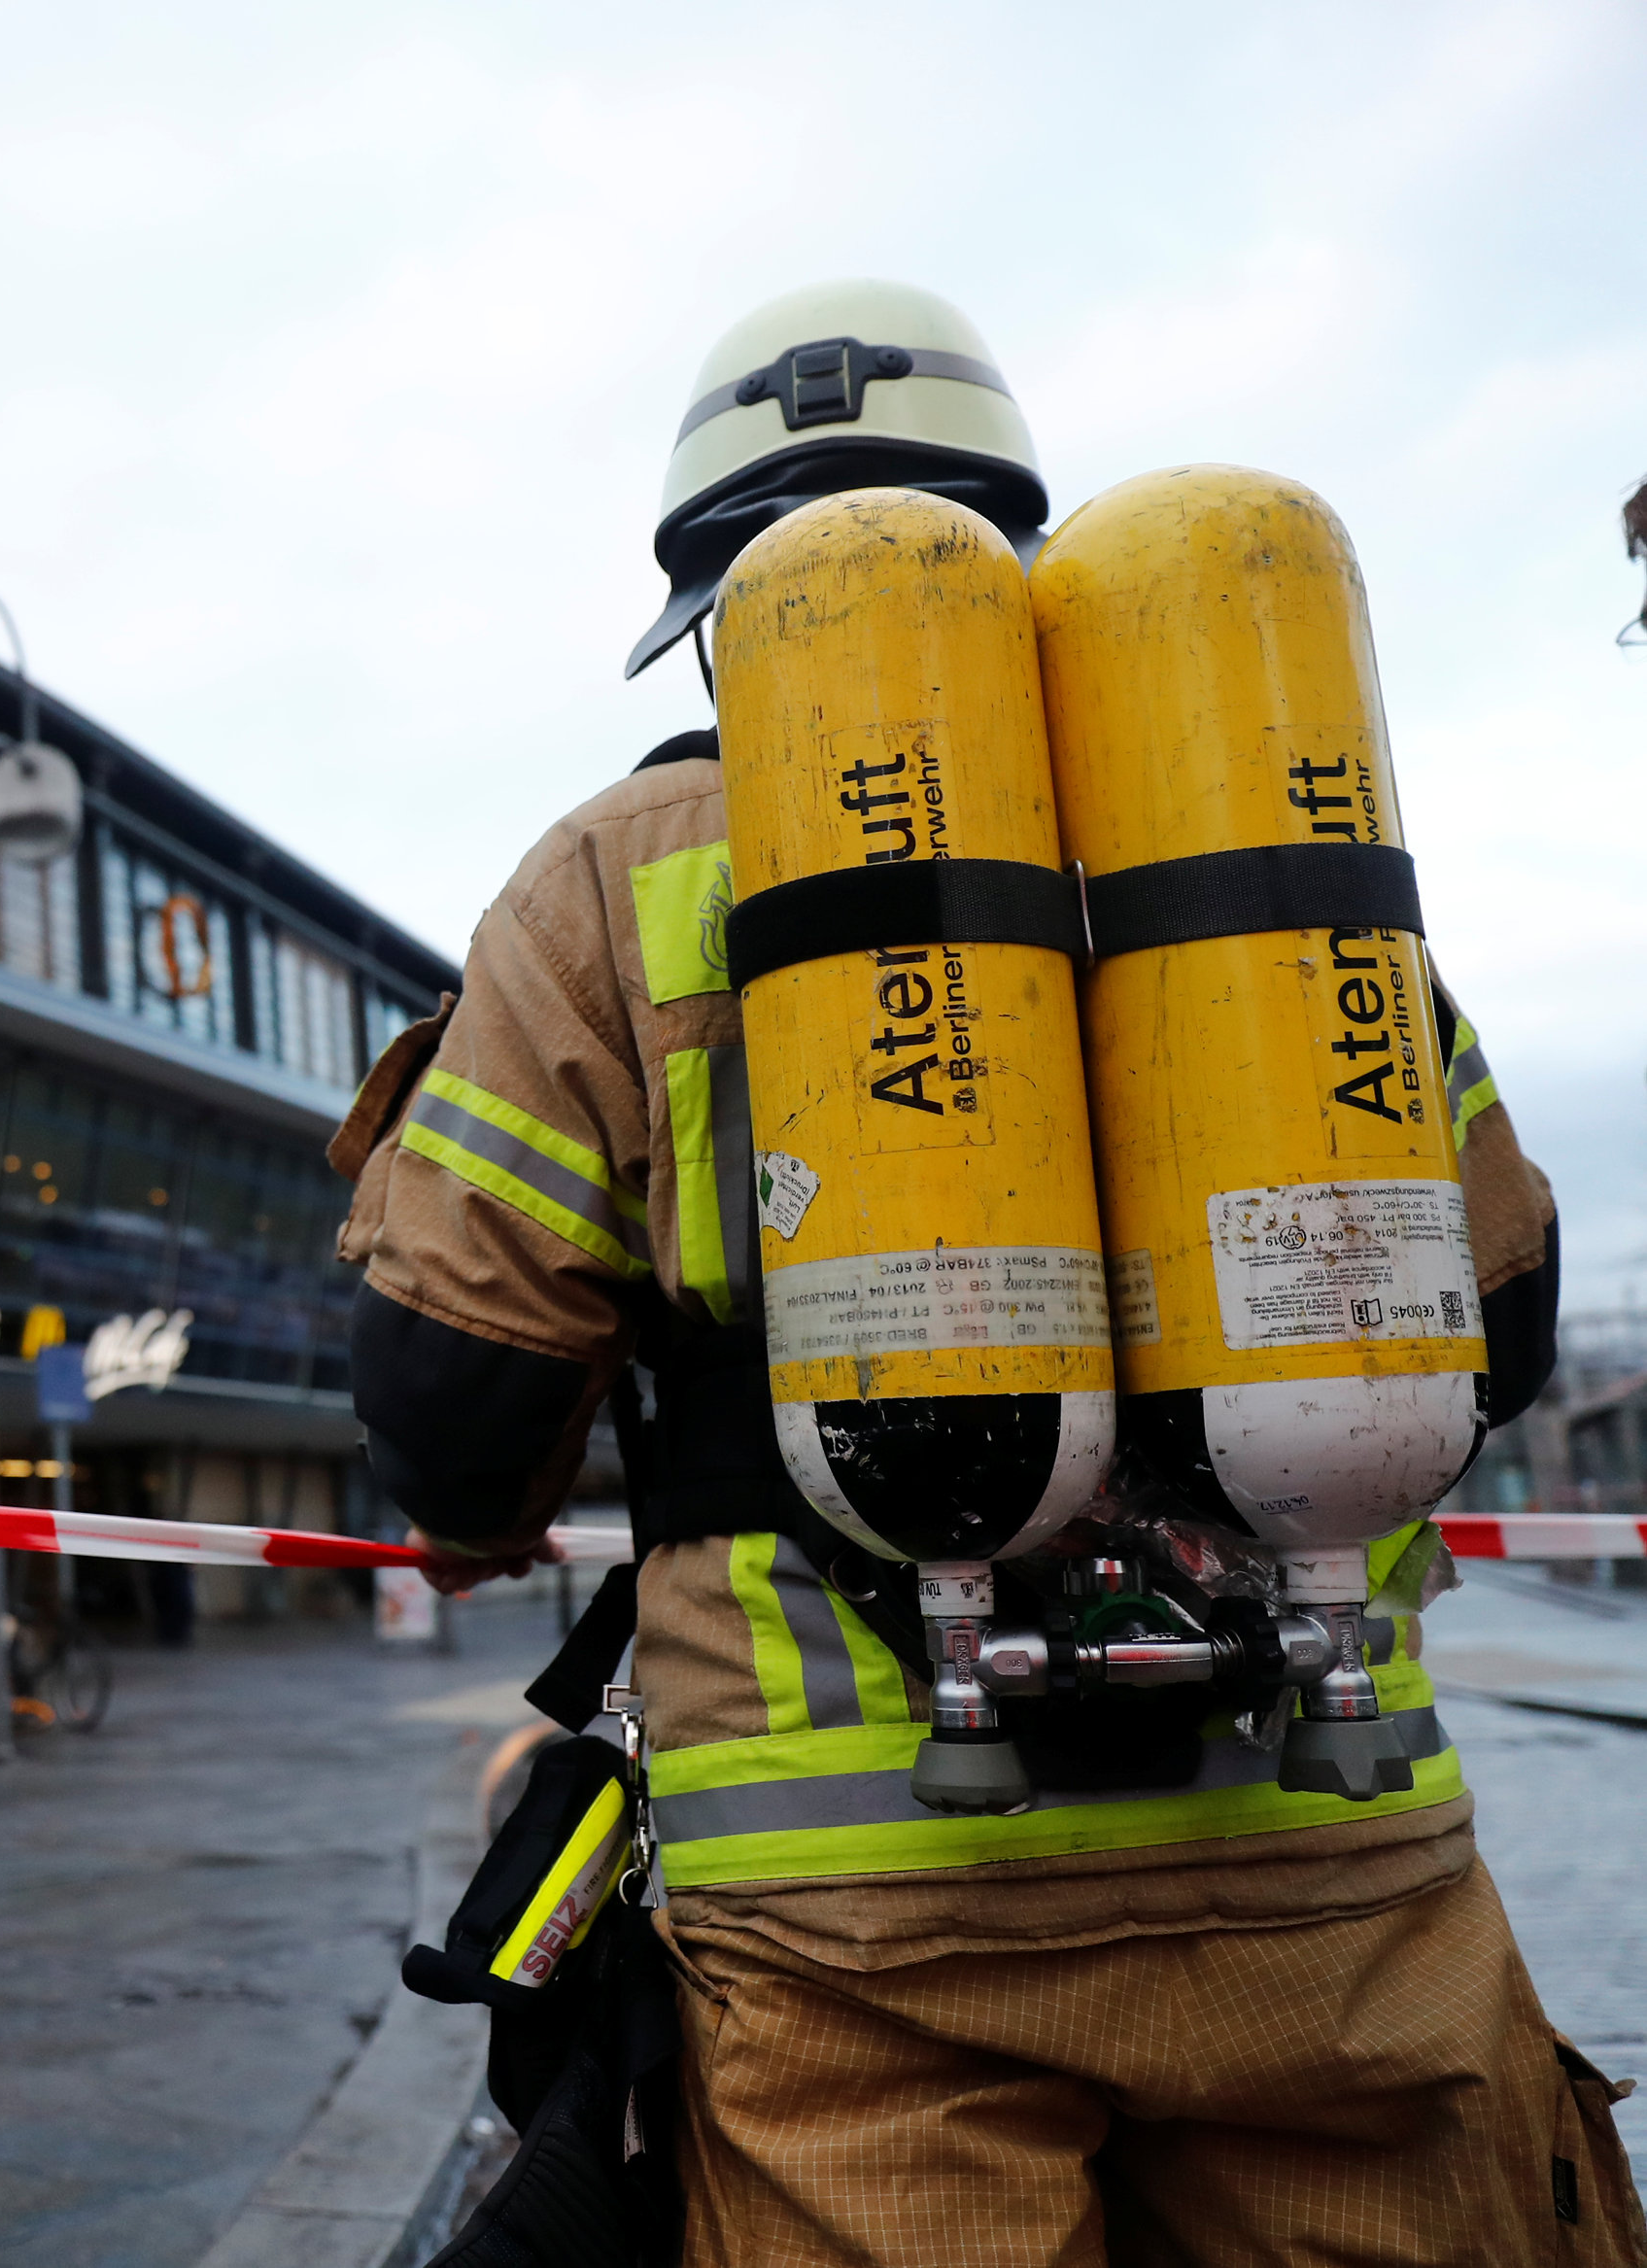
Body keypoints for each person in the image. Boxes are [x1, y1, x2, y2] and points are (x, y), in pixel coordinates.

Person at [334, 278, 1640, 2262]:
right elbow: (1506, 1330)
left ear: (700, 604)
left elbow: (452, 1409)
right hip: (1326, 1844)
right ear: (1017, 536)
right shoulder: (1262, 850)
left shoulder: (616, 877)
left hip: (863, 1901)